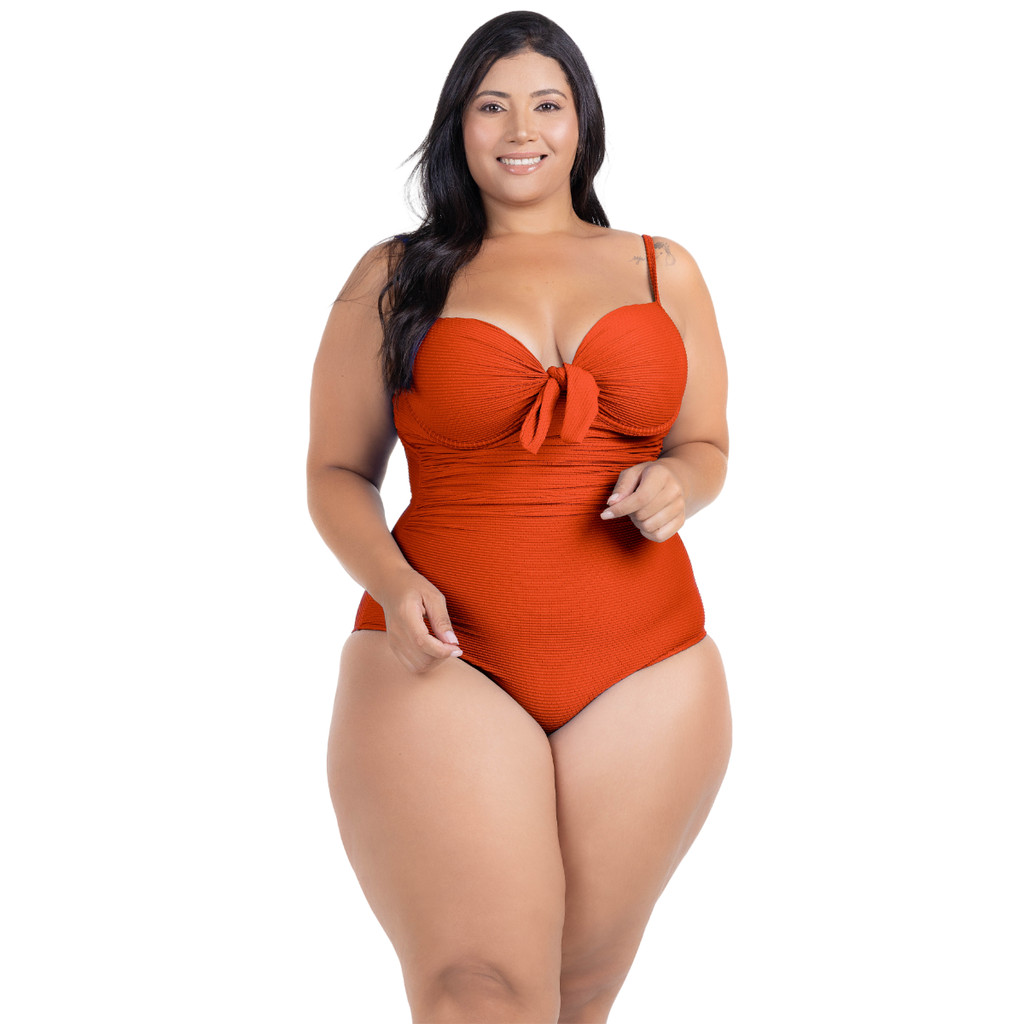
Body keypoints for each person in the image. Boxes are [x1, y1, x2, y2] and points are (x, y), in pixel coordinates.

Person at [306, 11, 732, 1023]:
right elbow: (334, 472)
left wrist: (682, 482)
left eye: (547, 104)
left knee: (579, 993)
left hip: (648, 664)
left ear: (582, 122)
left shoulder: (662, 267)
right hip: (443, 654)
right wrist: (391, 582)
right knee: (479, 991)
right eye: (491, 106)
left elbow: (707, 444)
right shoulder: (394, 275)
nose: (521, 129)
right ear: (457, 124)